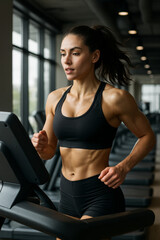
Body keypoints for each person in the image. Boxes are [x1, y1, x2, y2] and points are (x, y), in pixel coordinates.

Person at [31, 25, 156, 240]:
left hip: (100, 193)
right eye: (63, 54)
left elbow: (147, 136)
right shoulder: (55, 98)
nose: (66, 61)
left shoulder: (114, 98)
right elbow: (49, 152)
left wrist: (123, 167)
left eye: (75, 53)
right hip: (66, 194)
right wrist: (40, 147)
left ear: (95, 56)